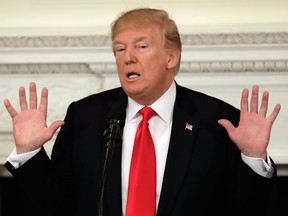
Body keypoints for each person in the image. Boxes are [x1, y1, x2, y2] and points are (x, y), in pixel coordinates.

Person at [3, 7, 281, 216]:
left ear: (171, 57)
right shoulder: (86, 116)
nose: (128, 57)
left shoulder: (217, 121)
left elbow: (245, 209)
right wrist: (29, 153)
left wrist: (254, 158)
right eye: (119, 49)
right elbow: (59, 206)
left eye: (141, 46)